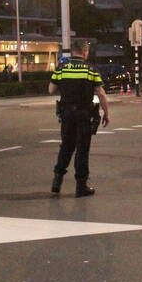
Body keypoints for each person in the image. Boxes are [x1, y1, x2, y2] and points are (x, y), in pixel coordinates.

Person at [49, 39, 110, 197]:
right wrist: (106, 113)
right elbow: (101, 94)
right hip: (84, 113)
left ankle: (57, 180)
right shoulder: (90, 69)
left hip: (66, 113)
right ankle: (81, 186)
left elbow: (51, 89)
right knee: (82, 149)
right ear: (84, 52)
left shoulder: (62, 67)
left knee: (66, 146)